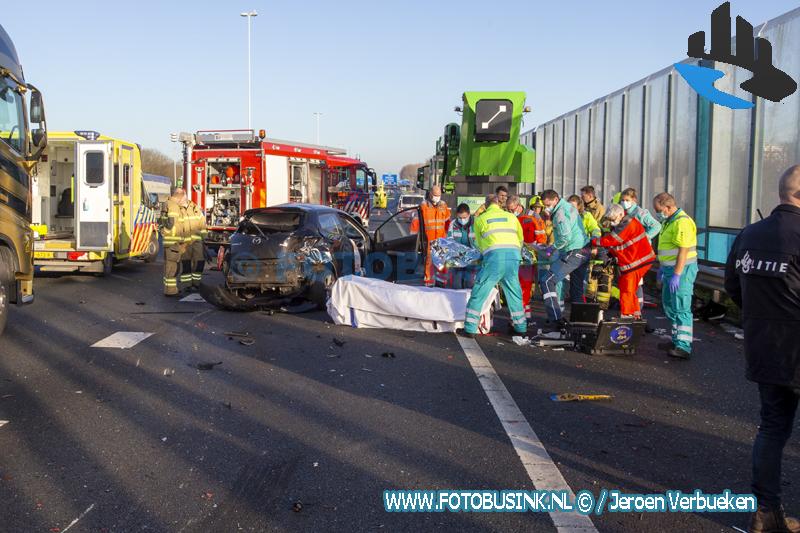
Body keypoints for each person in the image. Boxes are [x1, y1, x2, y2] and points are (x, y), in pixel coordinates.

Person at [724, 166, 800, 533]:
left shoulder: (749, 234)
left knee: (772, 429)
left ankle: (765, 512)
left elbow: (733, 286)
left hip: (764, 347)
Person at [457, 194, 526, 338]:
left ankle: (469, 329)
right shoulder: (512, 217)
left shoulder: (481, 219)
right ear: (499, 204)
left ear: (486, 205)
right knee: (514, 293)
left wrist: (485, 255)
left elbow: (479, 244)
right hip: (513, 257)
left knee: (479, 291)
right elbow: (520, 239)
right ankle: (520, 328)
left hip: (495, 259)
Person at [653, 192, 697, 359]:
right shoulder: (669, 221)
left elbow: (683, 251)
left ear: (669, 207)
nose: (658, 213)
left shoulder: (682, 223)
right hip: (670, 269)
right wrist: (663, 268)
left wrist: (677, 274)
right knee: (670, 306)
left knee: (681, 308)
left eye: (659, 210)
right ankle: (676, 339)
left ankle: (684, 346)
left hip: (682, 271)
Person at [540, 190, 590, 329]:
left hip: (573, 250)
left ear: (556, 199)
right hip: (584, 249)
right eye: (545, 205)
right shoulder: (569, 207)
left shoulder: (560, 213)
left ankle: (556, 319)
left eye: (548, 204)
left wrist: (551, 249)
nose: (547, 208)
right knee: (576, 289)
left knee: (547, 280)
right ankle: (580, 323)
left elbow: (566, 237)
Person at [595, 204, 655, 319]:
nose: (612, 222)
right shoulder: (625, 223)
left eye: (613, 219)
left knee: (627, 289)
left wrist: (594, 242)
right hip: (637, 261)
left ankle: (627, 317)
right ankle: (636, 316)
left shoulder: (628, 224)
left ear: (621, 214)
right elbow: (621, 244)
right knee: (629, 289)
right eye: (610, 220)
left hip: (636, 262)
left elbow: (613, 240)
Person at [619, 188, 661, 316]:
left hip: (639, 253)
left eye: (627, 200)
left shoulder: (640, 213)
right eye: (623, 200)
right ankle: (633, 310)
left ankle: (638, 309)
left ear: (634, 200)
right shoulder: (625, 213)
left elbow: (656, 226)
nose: (624, 202)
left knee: (636, 282)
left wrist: (645, 237)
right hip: (629, 253)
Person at [508, 195, 546, 319]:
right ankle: (523, 314)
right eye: (509, 209)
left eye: (512, 209)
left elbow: (541, 237)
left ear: (519, 206)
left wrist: (533, 248)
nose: (511, 212)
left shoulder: (533, 216)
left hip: (528, 256)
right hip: (512, 255)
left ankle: (523, 315)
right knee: (514, 285)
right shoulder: (507, 216)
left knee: (525, 285)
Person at [161, 188, 191, 296]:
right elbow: (171, 223)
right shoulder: (173, 206)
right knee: (172, 267)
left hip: (172, 241)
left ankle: (171, 289)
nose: (184, 200)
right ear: (179, 195)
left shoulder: (168, 204)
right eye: (184, 198)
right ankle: (170, 291)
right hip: (173, 241)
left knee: (171, 266)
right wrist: (168, 233)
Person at [420, 185, 451, 286]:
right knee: (429, 262)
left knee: (442, 261)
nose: (437, 197)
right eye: (435, 195)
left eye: (439, 195)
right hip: (429, 239)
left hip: (441, 239)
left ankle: (442, 282)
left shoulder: (443, 205)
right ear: (430, 194)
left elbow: (447, 222)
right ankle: (429, 283)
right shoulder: (424, 206)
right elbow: (419, 224)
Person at [446, 203, 477, 289]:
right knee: (456, 284)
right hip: (457, 258)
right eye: (460, 218)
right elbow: (449, 240)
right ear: (457, 215)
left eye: (464, 218)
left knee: (470, 284)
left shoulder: (477, 223)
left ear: (469, 214)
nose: (462, 220)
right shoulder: (453, 224)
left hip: (473, 259)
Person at [185, 197, 207, 290]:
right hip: (185, 241)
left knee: (199, 262)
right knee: (186, 263)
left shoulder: (196, 210)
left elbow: (202, 226)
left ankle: (196, 283)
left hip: (197, 241)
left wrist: (205, 240)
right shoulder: (179, 209)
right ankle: (188, 285)